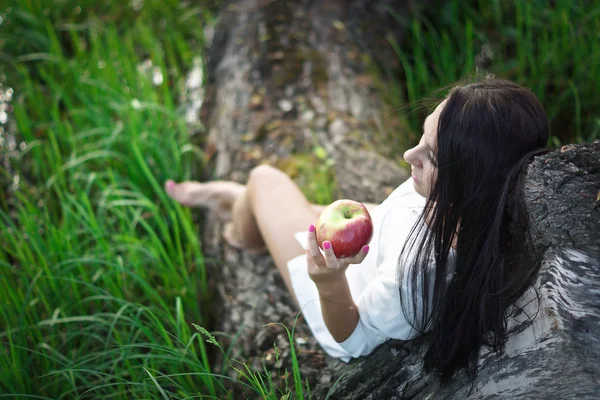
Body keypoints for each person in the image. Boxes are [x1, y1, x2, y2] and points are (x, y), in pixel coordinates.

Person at [164, 75, 550, 380]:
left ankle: (239, 226)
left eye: (429, 156)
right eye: (423, 133)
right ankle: (243, 202)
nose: (407, 155)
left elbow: (351, 335)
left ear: (471, 182)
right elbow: (401, 217)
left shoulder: (410, 279)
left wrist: (328, 282)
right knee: (287, 200)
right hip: (375, 235)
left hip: (342, 283)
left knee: (264, 180)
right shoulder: (482, 209)